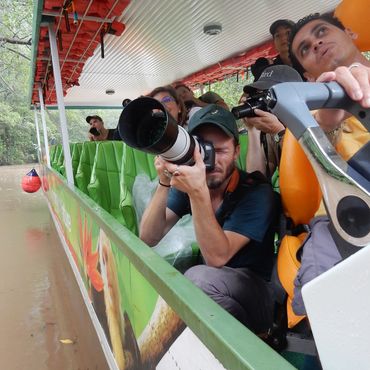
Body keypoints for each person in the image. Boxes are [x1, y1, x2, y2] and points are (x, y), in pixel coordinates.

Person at [140, 104, 277, 333]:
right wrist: (164, 183)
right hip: (217, 288)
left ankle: (254, 339)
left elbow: (217, 258)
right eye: (204, 150)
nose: (210, 160)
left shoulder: (256, 192)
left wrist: (197, 192)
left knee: (197, 279)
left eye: (220, 150)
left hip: (256, 293)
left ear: (236, 151)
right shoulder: (191, 184)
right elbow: (148, 236)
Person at [287, 12, 370, 315]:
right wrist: (329, 114)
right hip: (342, 218)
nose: (316, 43)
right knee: (319, 295)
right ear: (308, 77)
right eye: (305, 49)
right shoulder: (307, 117)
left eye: (321, 32)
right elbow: (318, 132)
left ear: (350, 32)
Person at [241, 65, 302, 178]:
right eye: (258, 95)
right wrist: (252, 130)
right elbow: (257, 178)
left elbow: (312, 171)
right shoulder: (272, 131)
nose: (263, 102)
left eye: (267, 95)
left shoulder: (316, 121)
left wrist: (279, 133)